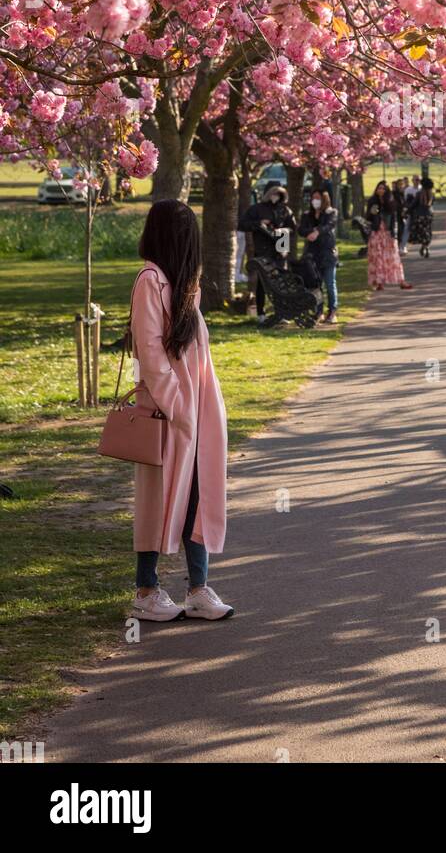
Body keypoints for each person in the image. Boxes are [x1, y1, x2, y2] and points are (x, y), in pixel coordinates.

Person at [130, 199, 232, 623]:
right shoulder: (150, 281)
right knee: (158, 498)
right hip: (167, 411)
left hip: (197, 409)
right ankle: (146, 589)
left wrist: (198, 409)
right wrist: (178, 407)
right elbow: (150, 352)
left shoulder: (185, 284)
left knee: (198, 495)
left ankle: (197, 588)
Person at [239, 184, 297, 325]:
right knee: (262, 282)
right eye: (274, 194)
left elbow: (293, 228)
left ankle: (281, 312)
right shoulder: (257, 209)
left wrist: (283, 231)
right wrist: (259, 224)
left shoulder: (285, 210)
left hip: (280, 247)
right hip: (263, 249)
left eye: (279, 195)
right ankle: (261, 312)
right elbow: (242, 225)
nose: (275, 197)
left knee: (280, 282)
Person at [298, 188, 339, 324]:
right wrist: (310, 232)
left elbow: (329, 225)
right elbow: (301, 229)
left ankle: (332, 310)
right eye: (313, 198)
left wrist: (317, 231)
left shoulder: (331, 212)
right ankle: (318, 311)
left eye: (318, 198)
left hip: (327, 253)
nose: (315, 201)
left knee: (329, 283)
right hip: (312, 254)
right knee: (316, 285)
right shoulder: (307, 215)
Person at [366, 181, 413, 291]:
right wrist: (372, 213)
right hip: (377, 233)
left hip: (388, 234)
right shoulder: (372, 201)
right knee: (377, 258)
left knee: (393, 257)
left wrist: (394, 235)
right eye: (379, 188)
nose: (381, 190)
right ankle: (379, 282)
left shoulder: (391, 203)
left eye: (383, 188)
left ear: (386, 191)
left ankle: (401, 280)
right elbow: (368, 217)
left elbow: (394, 220)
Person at [408, 176, 434, 256]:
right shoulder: (431, 194)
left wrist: (408, 209)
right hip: (429, 215)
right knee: (428, 232)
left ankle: (424, 246)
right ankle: (426, 247)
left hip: (420, 216)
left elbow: (413, 205)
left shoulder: (419, 194)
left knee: (422, 233)